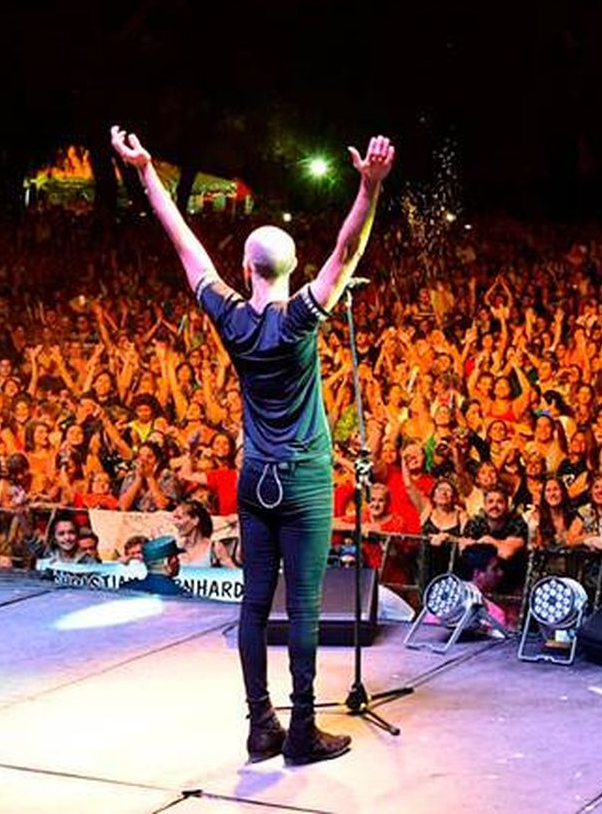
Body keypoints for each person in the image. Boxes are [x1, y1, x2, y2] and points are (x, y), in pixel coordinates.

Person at [112, 124, 394, 766]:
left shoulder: (231, 317)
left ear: (245, 268)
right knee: (304, 607)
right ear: (295, 269)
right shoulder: (301, 319)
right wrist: (369, 189)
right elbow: (348, 252)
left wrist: (147, 172)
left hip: (254, 477)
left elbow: (183, 244)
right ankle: (300, 732)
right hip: (302, 480)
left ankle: (259, 726)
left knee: (253, 603)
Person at [120, 535, 190, 597]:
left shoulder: (125, 589)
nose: (178, 561)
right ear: (168, 561)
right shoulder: (180, 595)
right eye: (176, 557)